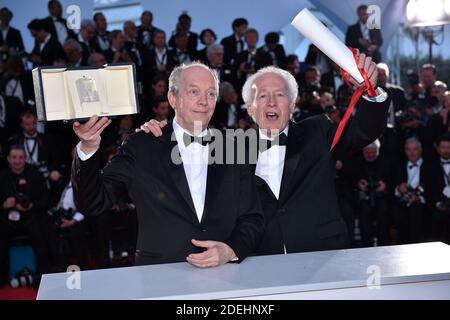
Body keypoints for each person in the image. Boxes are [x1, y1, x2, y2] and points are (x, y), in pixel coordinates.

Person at [140, 51, 391, 255]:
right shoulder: (228, 145)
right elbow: (184, 157)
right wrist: (155, 132)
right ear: (250, 108)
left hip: (321, 253)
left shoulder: (318, 132)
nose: (271, 102)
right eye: (262, 96)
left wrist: (370, 90)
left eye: (279, 95)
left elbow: (364, 131)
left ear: (292, 105)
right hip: (258, 258)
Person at [71, 62, 264, 267]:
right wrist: (88, 149)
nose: (204, 102)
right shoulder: (142, 145)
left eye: (210, 94)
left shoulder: (233, 147)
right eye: (193, 92)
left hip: (225, 274)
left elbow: (252, 218)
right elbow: (92, 203)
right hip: (159, 275)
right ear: (173, 98)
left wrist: (231, 250)